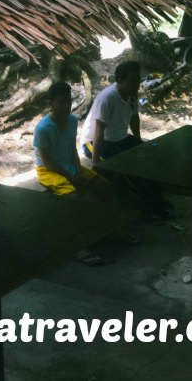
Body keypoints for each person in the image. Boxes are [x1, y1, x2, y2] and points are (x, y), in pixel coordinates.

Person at [34, 81, 118, 266]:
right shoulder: (43, 128)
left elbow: (72, 148)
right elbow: (48, 162)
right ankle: (78, 247)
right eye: (61, 102)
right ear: (51, 103)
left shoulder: (72, 120)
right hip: (49, 170)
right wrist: (72, 178)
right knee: (73, 199)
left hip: (69, 164)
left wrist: (79, 172)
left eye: (68, 101)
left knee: (106, 186)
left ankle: (112, 228)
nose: (66, 106)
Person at [81, 60, 171, 223]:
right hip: (95, 142)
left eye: (138, 80)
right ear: (120, 81)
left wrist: (138, 143)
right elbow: (99, 131)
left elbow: (134, 118)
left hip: (119, 138)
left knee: (148, 158)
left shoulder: (131, 93)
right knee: (127, 167)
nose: (137, 85)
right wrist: (96, 163)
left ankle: (156, 200)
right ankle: (149, 206)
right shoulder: (108, 98)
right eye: (132, 81)